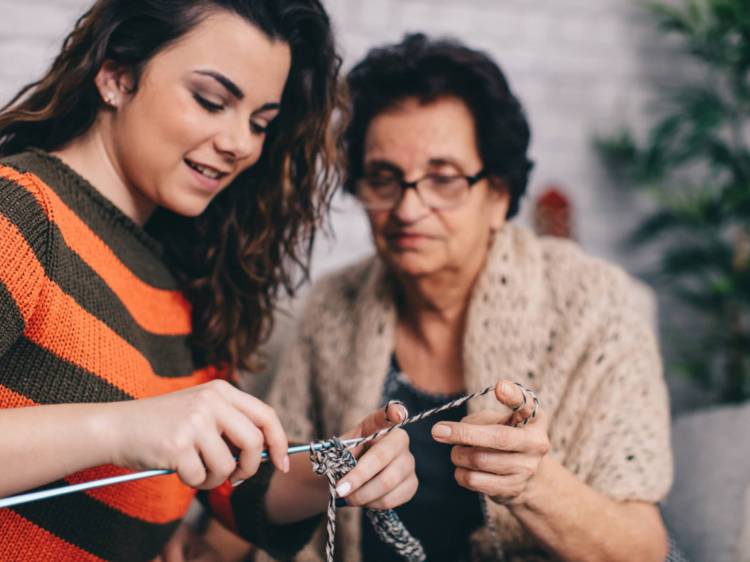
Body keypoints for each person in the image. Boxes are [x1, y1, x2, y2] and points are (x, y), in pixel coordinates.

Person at [0, 3, 417, 561]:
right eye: (211, 101)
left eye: (260, 123)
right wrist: (121, 429)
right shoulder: (20, 215)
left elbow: (235, 487)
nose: (240, 143)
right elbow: (140, 430)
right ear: (117, 74)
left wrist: (341, 470)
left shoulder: (182, 282)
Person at [264, 33, 675, 562]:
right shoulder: (333, 306)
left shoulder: (595, 303)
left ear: (499, 193)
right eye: (384, 179)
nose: (409, 209)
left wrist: (533, 485)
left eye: (444, 179)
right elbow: (275, 482)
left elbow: (644, 549)